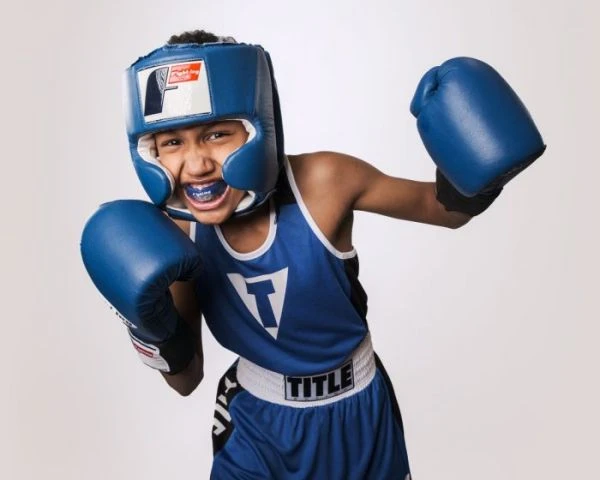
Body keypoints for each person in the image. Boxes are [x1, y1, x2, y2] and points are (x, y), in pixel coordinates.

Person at [81, 30, 545, 479]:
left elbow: (444, 209)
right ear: (149, 151)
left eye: (217, 134)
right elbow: (187, 379)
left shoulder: (324, 183)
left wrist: (478, 154)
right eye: (172, 142)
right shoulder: (175, 232)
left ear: (257, 124)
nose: (197, 164)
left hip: (357, 415)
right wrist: (152, 327)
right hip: (256, 427)